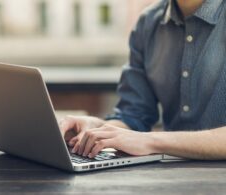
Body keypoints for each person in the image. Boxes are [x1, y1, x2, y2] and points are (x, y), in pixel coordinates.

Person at [59, 0, 226, 160]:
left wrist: (151, 141)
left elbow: (142, 139)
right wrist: (98, 129)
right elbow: (134, 117)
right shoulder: (148, 22)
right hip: (172, 176)